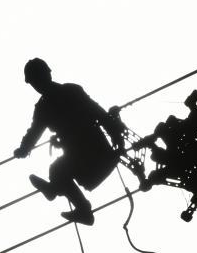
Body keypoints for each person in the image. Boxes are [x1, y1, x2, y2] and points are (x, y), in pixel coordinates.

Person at [14, 58, 124, 225]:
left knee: (57, 171)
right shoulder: (66, 94)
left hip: (93, 156)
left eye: (36, 81)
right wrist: (115, 133)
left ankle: (67, 199)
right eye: (34, 83)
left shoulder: (50, 104)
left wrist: (24, 149)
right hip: (93, 155)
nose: (36, 86)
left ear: (46, 75)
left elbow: (34, 133)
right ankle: (59, 194)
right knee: (57, 170)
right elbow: (98, 113)